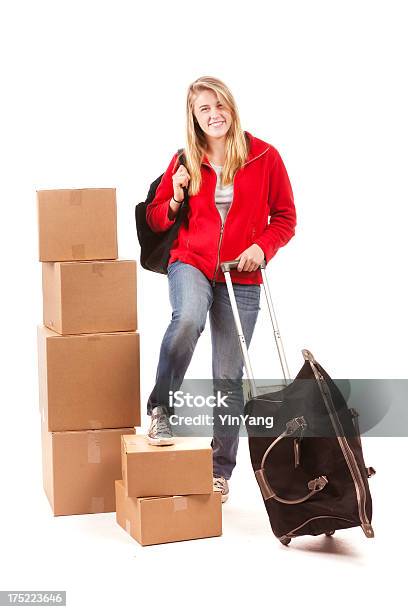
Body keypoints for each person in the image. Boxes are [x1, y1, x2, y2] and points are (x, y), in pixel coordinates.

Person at [145, 76, 296, 502]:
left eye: (219, 105)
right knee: (188, 318)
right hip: (190, 262)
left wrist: (260, 247)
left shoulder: (265, 156)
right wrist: (174, 197)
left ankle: (219, 470)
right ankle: (161, 408)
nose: (213, 115)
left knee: (228, 376)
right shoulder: (184, 160)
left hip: (242, 273)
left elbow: (285, 218)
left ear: (231, 106)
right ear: (193, 117)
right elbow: (156, 220)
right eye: (203, 109)